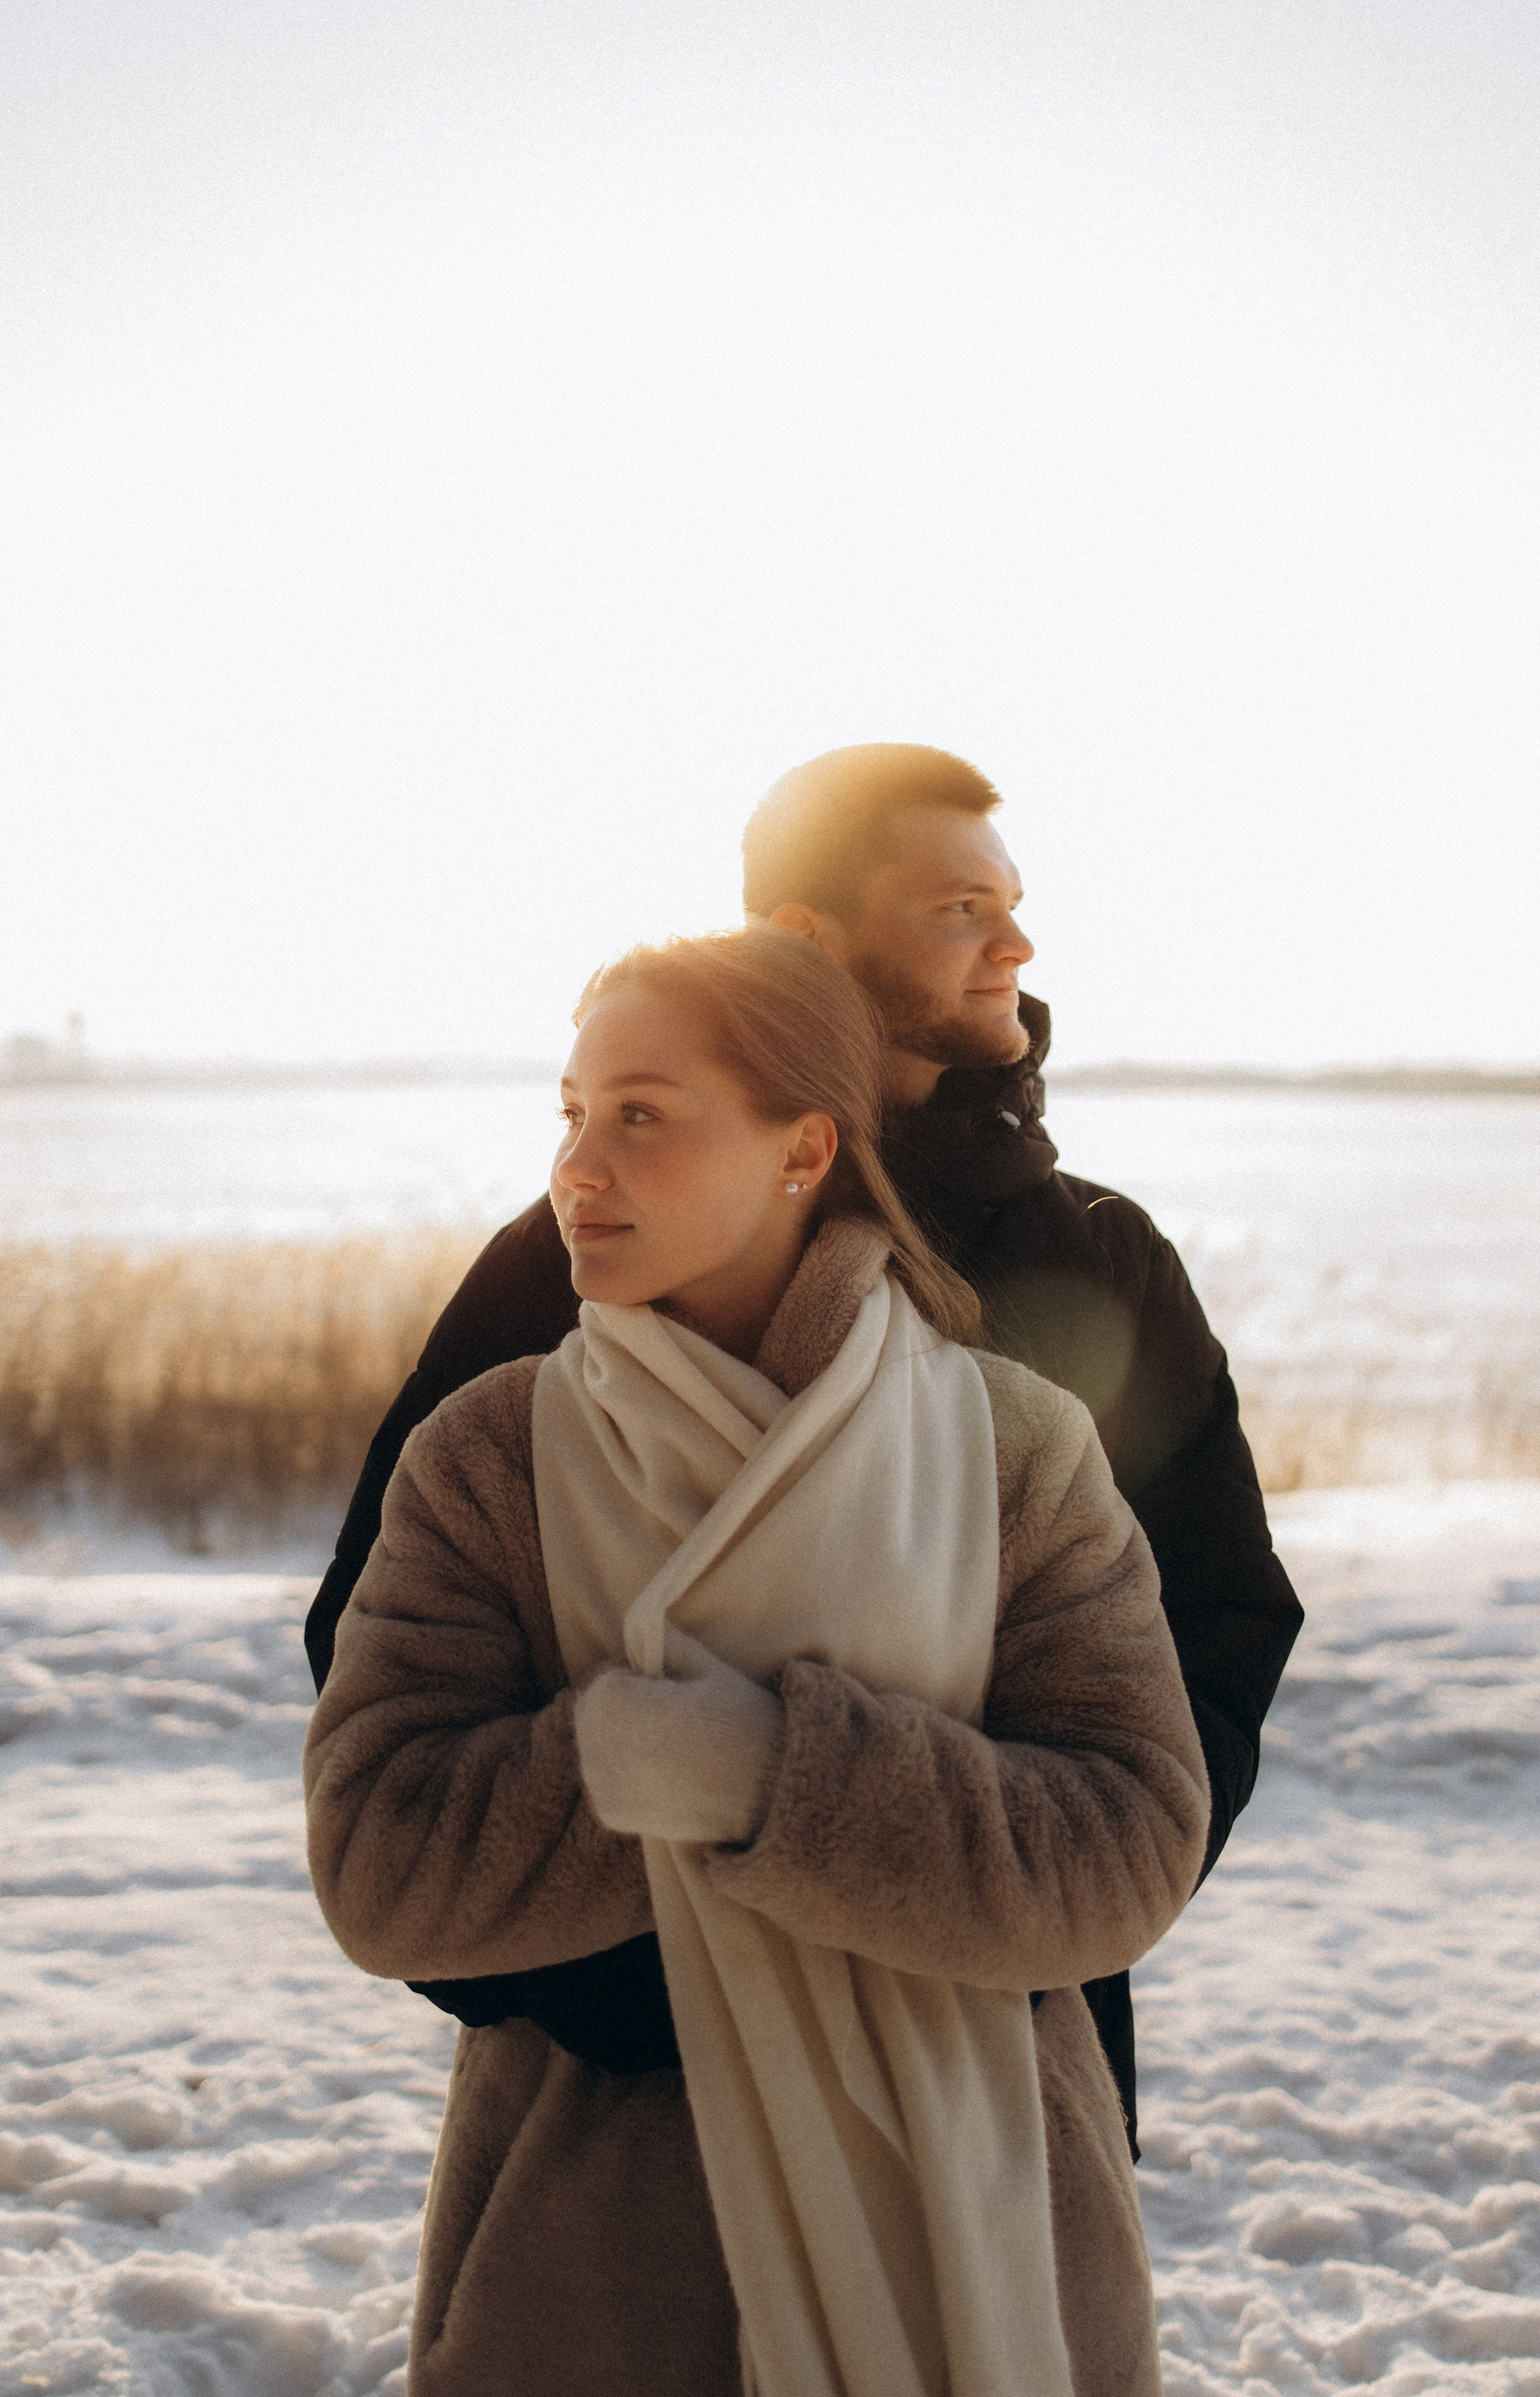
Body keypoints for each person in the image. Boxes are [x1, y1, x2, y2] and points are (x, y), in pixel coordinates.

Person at [303, 742, 1303, 2150]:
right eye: (957, 906)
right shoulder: (575, 1261)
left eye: (1009, 901)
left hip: (990, 2078)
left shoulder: (1095, 1257)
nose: (1014, 940)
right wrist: (631, 1996)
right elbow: (382, 1644)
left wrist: (1011, 1922)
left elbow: (1210, 1636)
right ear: (805, 938)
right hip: (629, 2110)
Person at [303, 926, 1210, 2396]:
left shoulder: (1012, 1446)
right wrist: (623, 1762)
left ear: (802, 1149)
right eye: (570, 1115)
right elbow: (378, 1865)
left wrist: (772, 1775)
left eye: (640, 1116)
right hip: (588, 2274)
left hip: (986, 2230)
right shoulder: (489, 1454)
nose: (577, 1168)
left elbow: (1126, 1847)